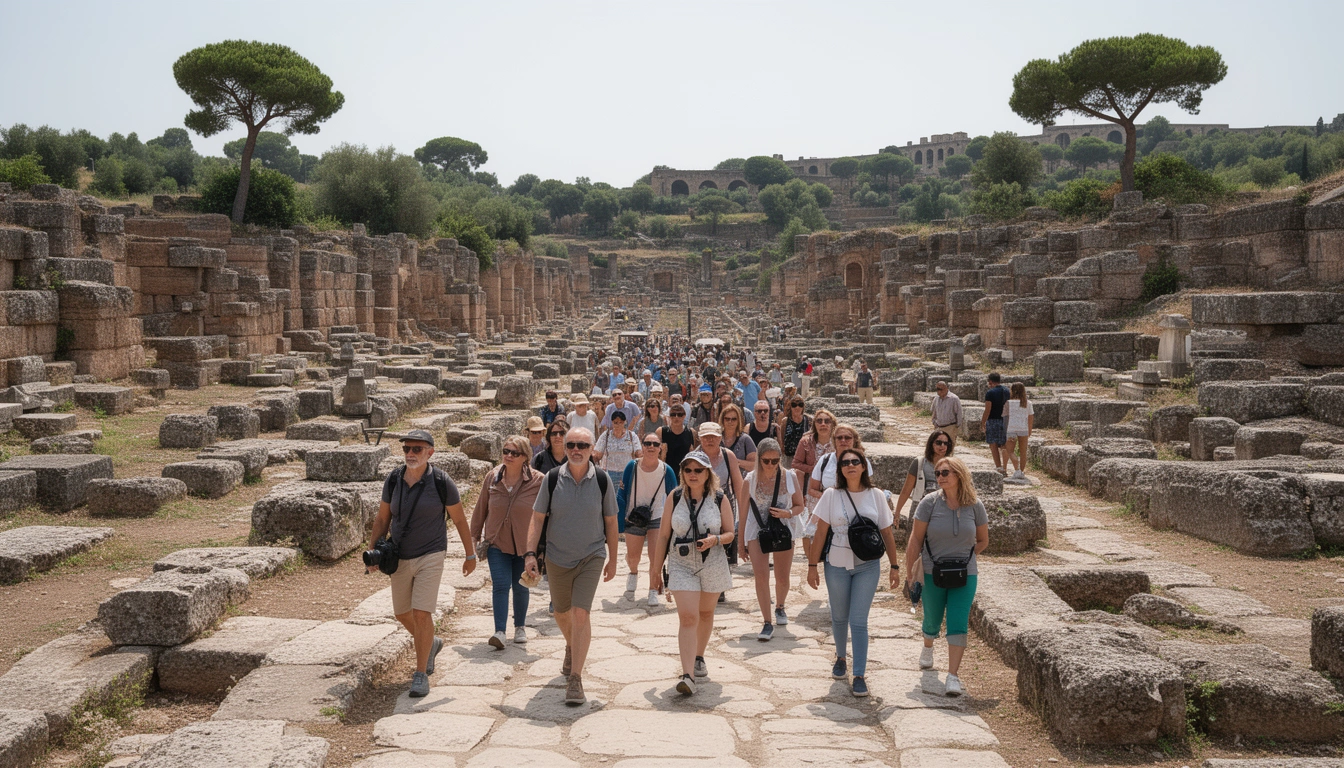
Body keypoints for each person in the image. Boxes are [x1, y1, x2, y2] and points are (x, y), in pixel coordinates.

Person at [367, 430, 475, 698]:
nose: (411, 454)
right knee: (402, 612)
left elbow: (460, 520)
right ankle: (431, 642)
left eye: (417, 449)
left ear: (430, 452)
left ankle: (420, 674)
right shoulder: (393, 480)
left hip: (431, 553)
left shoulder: (441, 481)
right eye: (407, 449)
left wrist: (470, 554)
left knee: (421, 612)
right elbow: (382, 519)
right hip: (399, 554)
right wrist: (372, 552)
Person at [524, 428, 619, 705]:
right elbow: (537, 518)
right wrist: (530, 553)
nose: (577, 449)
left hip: (591, 555)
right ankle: (571, 645)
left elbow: (611, 522)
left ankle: (575, 678)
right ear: (565, 448)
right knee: (561, 613)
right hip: (556, 557)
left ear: (592, 449)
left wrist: (613, 558)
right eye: (572, 445)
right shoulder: (553, 479)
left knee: (580, 614)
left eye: (583, 445)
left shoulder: (602, 480)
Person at [806, 446, 900, 698]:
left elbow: (887, 532)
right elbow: (821, 533)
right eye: (845, 462)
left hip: (867, 565)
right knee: (839, 616)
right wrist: (812, 566)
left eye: (855, 461)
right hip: (836, 563)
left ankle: (859, 674)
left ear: (863, 466)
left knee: (858, 620)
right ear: (840, 469)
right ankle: (840, 657)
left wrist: (894, 565)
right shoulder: (831, 495)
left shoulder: (876, 495)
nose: (850, 465)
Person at [650, 451, 736, 696]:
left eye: (698, 470)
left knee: (706, 613)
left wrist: (715, 539)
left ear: (708, 472)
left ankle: (699, 656)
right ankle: (687, 675)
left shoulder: (719, 498)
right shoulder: (674, 497)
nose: (693, 474)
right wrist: (655, 570)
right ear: (682, 473)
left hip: (713, 562)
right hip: (681, 563)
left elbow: (731, 532)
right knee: (688, 617)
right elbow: (664, 535)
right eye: (688, 470)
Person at [904, 457, 989, 698]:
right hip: (933, 571)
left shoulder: (975, 505)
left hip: (965, 573)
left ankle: (953, 675)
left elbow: (983, 540)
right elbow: (915, 540)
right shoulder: (929, 503)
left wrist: (964, 559)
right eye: (938, 472)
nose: (940, 477)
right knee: (932, 617)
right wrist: (911, 572)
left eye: (945, 472)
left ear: (959, 475)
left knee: (958, 621)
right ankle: (928, 644)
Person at [471, 435, 542, 649]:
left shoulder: (539, 480)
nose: (509, 456)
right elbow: (480, 509)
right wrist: (473, 539)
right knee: (500, 585)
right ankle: (500, 632)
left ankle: (519, 627)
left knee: (521, 585)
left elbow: (547, 513)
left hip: (525, 545)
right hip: (496, 542)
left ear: (525, 457)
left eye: (514, 453)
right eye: (506, 451)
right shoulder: (492, 478)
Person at [740, 438, 804, 640]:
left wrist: (787, 514)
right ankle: (767, 622)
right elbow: (742, 513)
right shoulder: (749, 480)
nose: (770, 465)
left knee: (782, 577)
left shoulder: (789, 477)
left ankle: (780, 606)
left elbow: (799, 506)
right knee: (761, 576)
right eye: (766, 461)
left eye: (775, 461)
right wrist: (740, 543)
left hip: (783, 528)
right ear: (759, 459)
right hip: (757, 529)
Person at [617, 430, 679, 606]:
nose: (651, 447)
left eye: (655, 444)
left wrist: (673, 523)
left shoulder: (667, 470)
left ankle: (652, 589)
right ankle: (633, 572)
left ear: (661, 448)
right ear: (642, 447)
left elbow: (674, 496)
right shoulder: (632, 466)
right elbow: (621, 493)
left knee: (656, 556)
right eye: (647, 444)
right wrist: (620, 522)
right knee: (633, 556)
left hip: (657, 517)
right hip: (634, 515)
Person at [595, 410, 641, 532]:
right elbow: (597, 454)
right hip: (609, 473)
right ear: (612, 423)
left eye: (620, 422)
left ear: (625, 422)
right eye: (615, 422)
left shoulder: (632, 436)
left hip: (627, 473)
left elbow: (638, 453)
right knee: (610, 501)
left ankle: (622, 528)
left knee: (625, 501)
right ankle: (610, 528)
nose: (618, 425)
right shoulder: (605, 436)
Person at [893, 430, 955, 519]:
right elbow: (906, 490)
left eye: (946, 443)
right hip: (920, 507)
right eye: (938, 443)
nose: (942, 446)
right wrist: (897, 511)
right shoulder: (919, 463)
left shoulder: (953, 465)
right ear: (931, 444)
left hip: (943, 507)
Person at [1003, 382, 1034, 485]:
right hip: (1023, 429)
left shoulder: (1008, 403)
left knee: (1009, 450)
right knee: (1023, 452)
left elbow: (1005, 418)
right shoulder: (1028, 403)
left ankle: (1017, 469)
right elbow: (1030, 418)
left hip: (1011, 429)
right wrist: (1029, 430)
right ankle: (1021, 471)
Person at [718, 404, 758, 481]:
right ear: (722, 420)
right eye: (727, 419)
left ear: (738, 420)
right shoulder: (716, 438)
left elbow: (755, 465)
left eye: (734, 419)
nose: (730, 421)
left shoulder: (745, 439)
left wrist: (735, 462)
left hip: (741, 483)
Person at [982, 373, 1011, 475]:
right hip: (1006, 420)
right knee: (1004, 444)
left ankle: (999, 467)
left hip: (993, 420)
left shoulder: (990, 393)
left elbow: (988, 409)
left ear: (990, 381)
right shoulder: (1007, 391)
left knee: (993, 444)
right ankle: (1005, 467)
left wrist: (983, 422)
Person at [660, 403, 698, 470]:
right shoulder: (662, 431)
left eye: (679, 415)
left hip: (685, 471)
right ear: (669, 416)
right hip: (666, 470)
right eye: (673, 415)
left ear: (684, 416)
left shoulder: (691, 432)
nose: (676, 417)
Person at [778, 396, 811, 471]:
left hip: (804, 457)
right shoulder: (785, 421)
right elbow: (782, 439)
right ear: (790, 407)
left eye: (800, 405)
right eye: (794, 405)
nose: (797, 407)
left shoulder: (808, 420)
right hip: (789, 457)